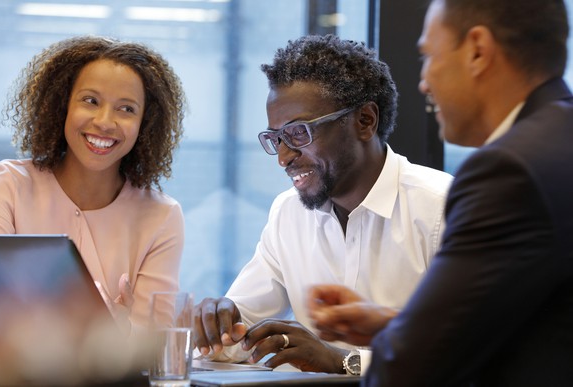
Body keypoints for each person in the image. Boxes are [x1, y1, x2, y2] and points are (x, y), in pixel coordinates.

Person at [308, 0, 573, 385]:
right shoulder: (559, 139)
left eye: (428, 56)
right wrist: (397, 325)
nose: (423, 82)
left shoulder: (508, 170)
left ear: (478, 51)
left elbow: (408, 369)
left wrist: (402, 341)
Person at [194, 34, 453, 373]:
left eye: (299, 133)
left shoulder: (443, 208)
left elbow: (467, 353)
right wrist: (218, 324)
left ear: (365, 121)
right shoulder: (289, 212)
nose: (284, 158)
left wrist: (343, 361)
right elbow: (239, 337)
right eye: (276, 138)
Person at [0, 36, 187, 335]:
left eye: (126, 109)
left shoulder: (162, 216)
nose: (105, 122)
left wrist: (125, 333)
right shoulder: (7, 187)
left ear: (145, 124)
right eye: (90, 100)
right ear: (61, 106)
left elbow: (154, 343)